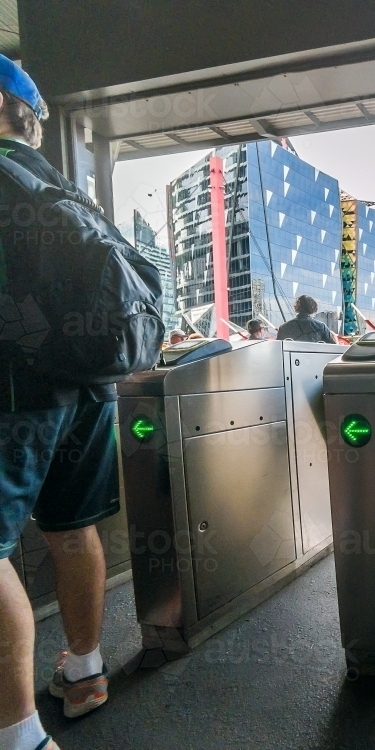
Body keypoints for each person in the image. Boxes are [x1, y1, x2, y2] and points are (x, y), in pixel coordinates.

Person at [0, 57, 115, 750]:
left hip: (17, 393)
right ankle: (86, 669)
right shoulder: (62, 185)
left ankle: (18, 736)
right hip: (89, 387)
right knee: (70, 528)